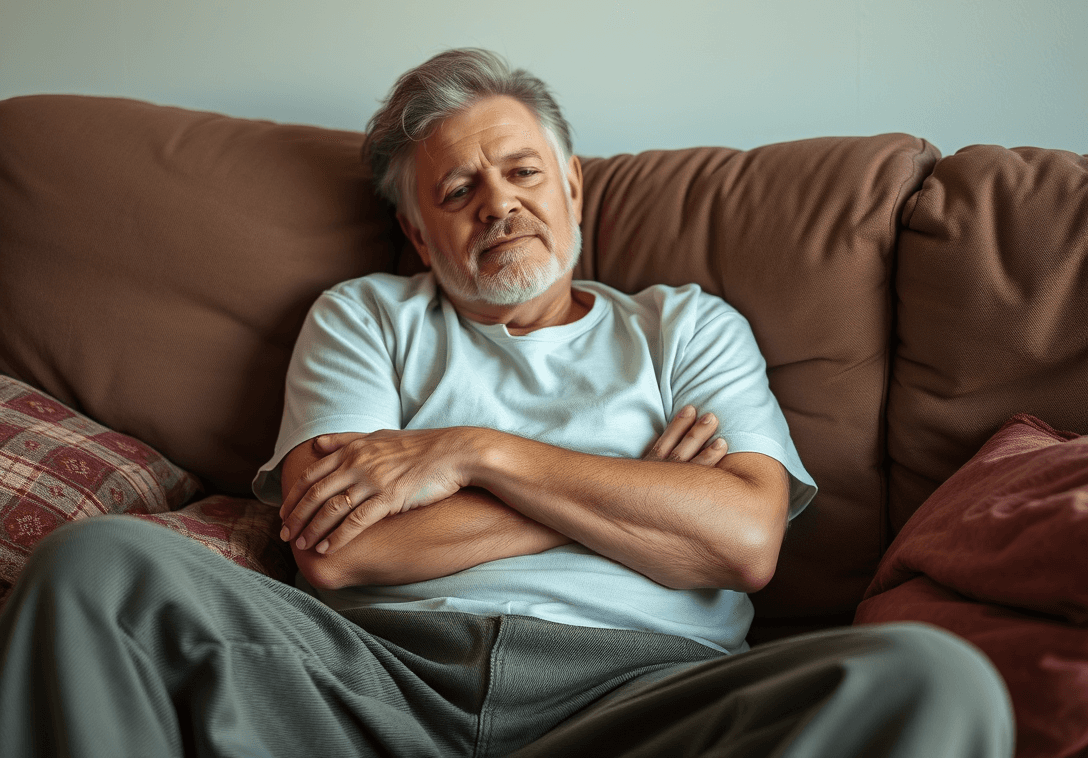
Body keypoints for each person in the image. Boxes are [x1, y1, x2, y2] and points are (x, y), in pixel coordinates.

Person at [0, 49, 1013, 757]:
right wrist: (641, 495)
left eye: (523, 171)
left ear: (573, 185)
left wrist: (479, 454)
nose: (500, 205)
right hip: (373, 682)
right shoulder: (363, 320)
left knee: (932, 677)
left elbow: (744, 540)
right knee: (98, 568)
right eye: (457, 193)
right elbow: (344, 550)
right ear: (418, 232)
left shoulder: (684, 328)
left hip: (646, 695)